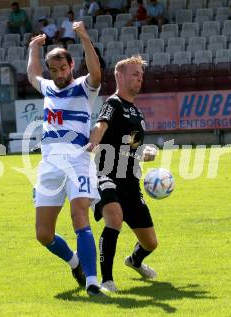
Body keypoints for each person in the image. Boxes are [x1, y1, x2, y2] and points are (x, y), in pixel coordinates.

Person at [27, 20, 105, 297]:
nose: (59, 73)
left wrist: (84, 36)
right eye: (55, 69)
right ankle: (75, 264)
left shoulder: (85, 87)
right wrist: (34, 49)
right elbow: (32, 76)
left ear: (72, 66)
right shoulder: (48, 87)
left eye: (63, 68)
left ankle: (93, 280)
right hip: (49, 165)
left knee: (79, 215)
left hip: (78, 160)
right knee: (43, 234)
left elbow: (96, 72)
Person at [88, 55, 159, 292]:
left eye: (141, 75)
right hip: (106, 173)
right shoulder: (113, 103)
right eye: (134, 74)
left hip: (130, 181)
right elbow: (101, 125)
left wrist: (144, 153)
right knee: (114, 219)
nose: (139, 78)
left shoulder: (137, 113)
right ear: (119, 75)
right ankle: (106, 281)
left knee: (150, 243)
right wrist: (93, 142)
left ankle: (134, 261)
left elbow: (131, 148)